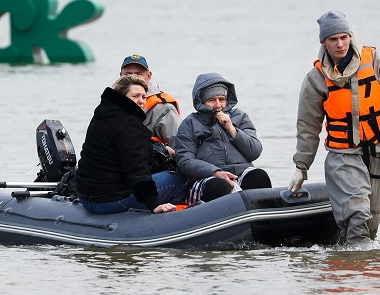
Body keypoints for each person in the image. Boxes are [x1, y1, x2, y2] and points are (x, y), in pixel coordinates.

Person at [288, 10, 380, 244]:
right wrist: (301, 165)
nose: (340, 44)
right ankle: (352, 265)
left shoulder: (377, 60)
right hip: (343, 154)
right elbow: (308, 127)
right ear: (324, 42)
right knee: (358, 212)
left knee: (372, 221)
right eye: (333, 39)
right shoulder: (316, 79)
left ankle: (354, 267)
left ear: (350, 36)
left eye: (343, 37)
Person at [76, 74, 186, 214]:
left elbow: (120, 145)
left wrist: (161, 148)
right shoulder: (130, 125)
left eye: (144, 97)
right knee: (178, 178)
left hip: (87, 198)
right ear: (122, 97)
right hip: (110, 201)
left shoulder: (102, 115)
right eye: (135, 96)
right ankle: (171, 219)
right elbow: (137, 170)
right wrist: (153, 204)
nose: (141, 101)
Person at [174, 73, 272, 204]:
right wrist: (215, 172)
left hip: (240, 173)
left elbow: (254, 151)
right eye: (211, 100)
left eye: (221, 99)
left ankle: (264, 221)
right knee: (219, 186)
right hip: (208, 178)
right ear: (201, 102)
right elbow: (185, 161)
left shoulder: (240, 117)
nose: (218, 105)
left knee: (259, 176)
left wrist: (231, 129)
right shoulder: (189, 123)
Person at [119, 54, 182, 149]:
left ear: (148, 76)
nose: (133, 79)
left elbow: (181, 147)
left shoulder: (163, 108)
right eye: (127, 75)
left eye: (138, 75)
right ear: (120, 76)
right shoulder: (112, 104)